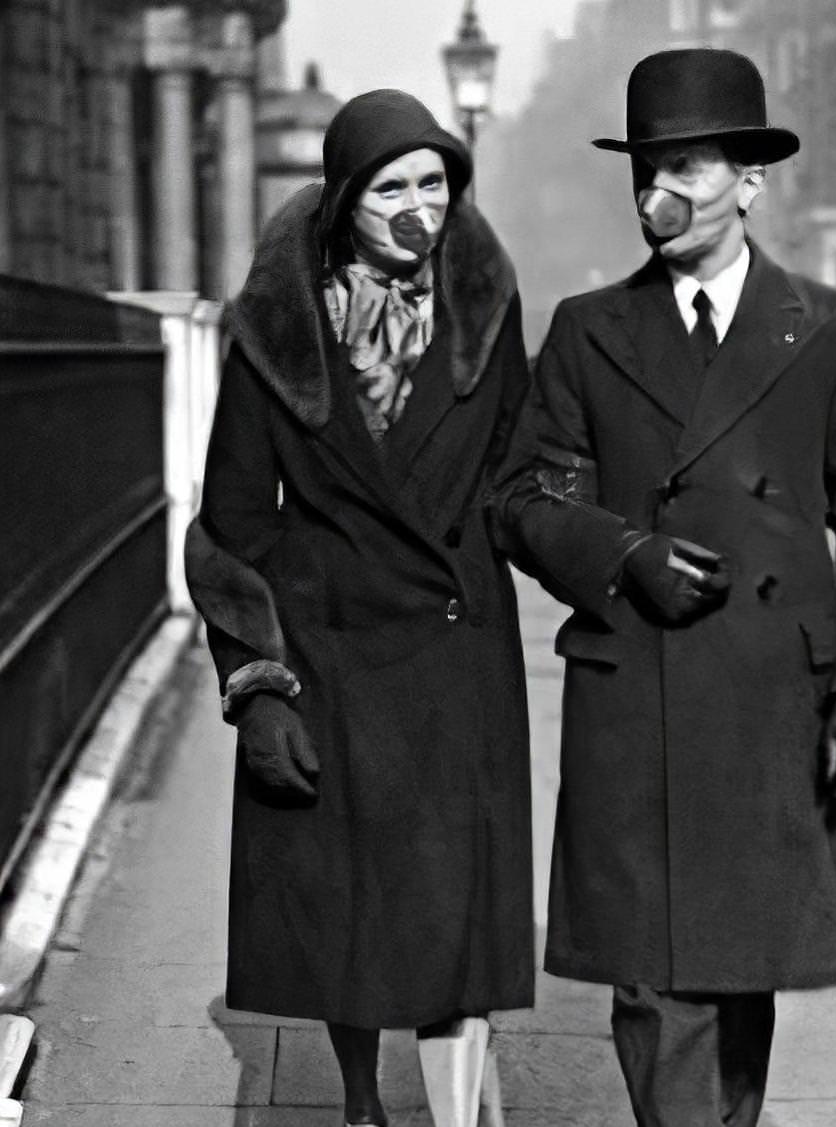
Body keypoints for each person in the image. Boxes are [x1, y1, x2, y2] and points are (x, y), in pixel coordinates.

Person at [489, 49, 836, 1127]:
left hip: (774, 700)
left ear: (750, 182)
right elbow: (522, 501)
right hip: (637, 691)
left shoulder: (826, 328)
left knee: (735, 978)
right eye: (642, 171)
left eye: (682, 167)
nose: (654, 196)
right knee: (654, 979)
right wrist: (621, 552)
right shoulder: (588, 332)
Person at [184, 90, 534, 1127]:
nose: (417, 204)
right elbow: (232, 522)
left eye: (434, 182)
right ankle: (356, 1100)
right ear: (346, 201)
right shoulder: (278, 333)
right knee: (352, 899)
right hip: (332, 646)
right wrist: (256, 682)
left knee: (457, 906)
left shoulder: (486, 307)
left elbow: (522, 472)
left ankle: (458, 1113)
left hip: (458, 638)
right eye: (392, 186)